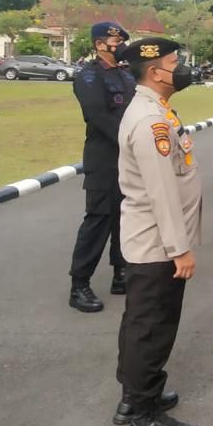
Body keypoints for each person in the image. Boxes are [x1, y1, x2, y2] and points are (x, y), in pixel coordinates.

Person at [115, 37, 201, 426]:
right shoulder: (151, 121)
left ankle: (135, 397)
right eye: (174, 61)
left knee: (141, 323)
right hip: (157, 244)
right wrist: (179, 248)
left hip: (153, 240)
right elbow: (161, 191)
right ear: (154, 71)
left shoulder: (157, 110)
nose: (180, 67)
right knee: (152, 327)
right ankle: (143, 418)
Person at [68, 21, 136, 313]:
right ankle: (79, 285)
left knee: (125, 218)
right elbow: (98, 115)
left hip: (129, 160)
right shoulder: (88, 76)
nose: (120, 45)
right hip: (104, 159)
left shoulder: (126, 74)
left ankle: (121, 273)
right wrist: (132, 141)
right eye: (115, 41)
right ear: (99, 44)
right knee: (98, 221)